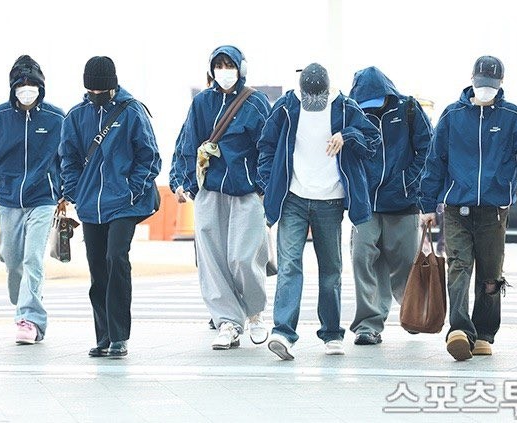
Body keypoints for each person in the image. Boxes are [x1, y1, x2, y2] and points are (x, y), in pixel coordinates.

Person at [419, 55, 517, 361]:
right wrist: (427, 205)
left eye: (491, 84)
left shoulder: (512, 117)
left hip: (494, 211)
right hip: (457, 209)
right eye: (481, 84)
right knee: (458, 267)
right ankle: (459, 330)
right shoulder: (452, 116)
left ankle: (484, 333)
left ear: (501, 83)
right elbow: (434, 162)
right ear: (472, 80)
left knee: (491, 276)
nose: (485, 89)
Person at [257, 63, 380, 360]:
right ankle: (283, 333)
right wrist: (269, 183)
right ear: (300, 91)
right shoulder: (286, 107)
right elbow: (266, 146)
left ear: (328, 89)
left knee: (331, 270)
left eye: (319, 98)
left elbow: (372, 142)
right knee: (289, 267)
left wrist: (347, 135)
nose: (314, 103)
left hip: (331, 201)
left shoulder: (345, 107)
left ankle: (332, 333)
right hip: (293, 199)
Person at [169, 45, 271, 350]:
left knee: (243, 257)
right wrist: (183, 182)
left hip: (246, 191)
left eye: (230, 65)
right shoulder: (202, 102)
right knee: (212, 261)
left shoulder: (255, 102)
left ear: (241, 68)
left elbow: (268, 146)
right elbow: (187, 143)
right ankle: (228, 322)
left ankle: (255, 313)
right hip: (210, 190)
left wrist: (262, 186)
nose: (224, 71)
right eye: (219, 65)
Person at [59, 56, 161, 358]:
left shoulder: (131, 112)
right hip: (91, 204)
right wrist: (75, 192)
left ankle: (119, 336)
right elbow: (68, 158)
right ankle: (103, 336)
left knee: (116, 257)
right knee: (97, 268)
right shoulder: (76, 116)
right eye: (91, 89)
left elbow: (149, 156)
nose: (95, 94)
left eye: (100, 90)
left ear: (112, 85)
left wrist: (132, 190)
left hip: (124, 204)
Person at [0, 55, 64, 345]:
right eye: (21, 84)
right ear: (13, 87)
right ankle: (25, 299)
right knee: (13, 262)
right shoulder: (0, 116)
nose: (27, 89)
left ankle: (29, 320)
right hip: (8, 199)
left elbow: (69, 157)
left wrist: (65, 190)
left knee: (32, 259)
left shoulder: (56, 118)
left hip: (43, 198)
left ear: (41, 86)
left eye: (32, 84)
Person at [347, 66, 433, 345]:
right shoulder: (350, 111)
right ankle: (368, 325)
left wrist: (409, 182)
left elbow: (427, 149)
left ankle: (411, 311)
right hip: (365, 204)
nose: (371, 108)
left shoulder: (408, 109)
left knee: (405, 262)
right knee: (363, 259)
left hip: (402, 201)